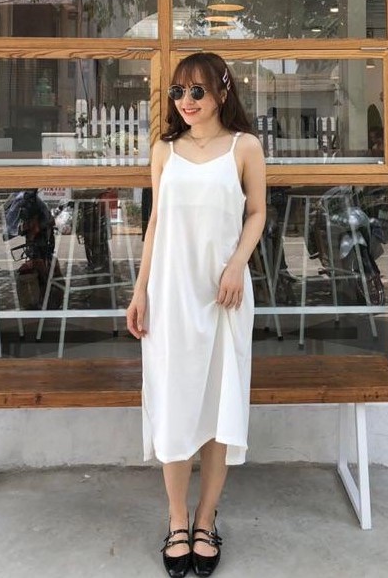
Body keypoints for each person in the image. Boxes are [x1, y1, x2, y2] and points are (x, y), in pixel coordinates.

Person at [126, 52, 266, 578]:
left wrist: (236, 264)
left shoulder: (245, 147)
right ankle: (177, 519)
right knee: (175, 404)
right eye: (179, 92)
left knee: (219, 406)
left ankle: (206, 519)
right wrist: (140, 290)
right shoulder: (164, 150)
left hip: (224, 295)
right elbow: (155, 223)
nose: (186, 101)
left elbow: (257, 212)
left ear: (223, 92)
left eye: (198, 91)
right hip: (171, 296)